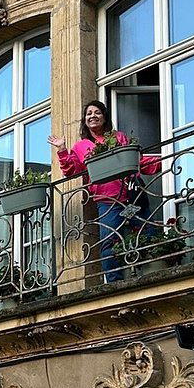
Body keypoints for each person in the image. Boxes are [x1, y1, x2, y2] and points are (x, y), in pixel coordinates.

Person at [48, 100, 158, 283]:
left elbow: (135, 160)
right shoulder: (81, 146)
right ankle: (114, 283)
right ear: (85, 120)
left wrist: (161, 162)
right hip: (107, 202)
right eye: (89, 113)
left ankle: (152, 274)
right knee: (108, 243)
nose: (93, 116)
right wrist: (62, 149)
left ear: (104, 117)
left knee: (148, 233)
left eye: (97, 112)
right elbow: (71, 171)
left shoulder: (119, 137)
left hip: (132, 196)